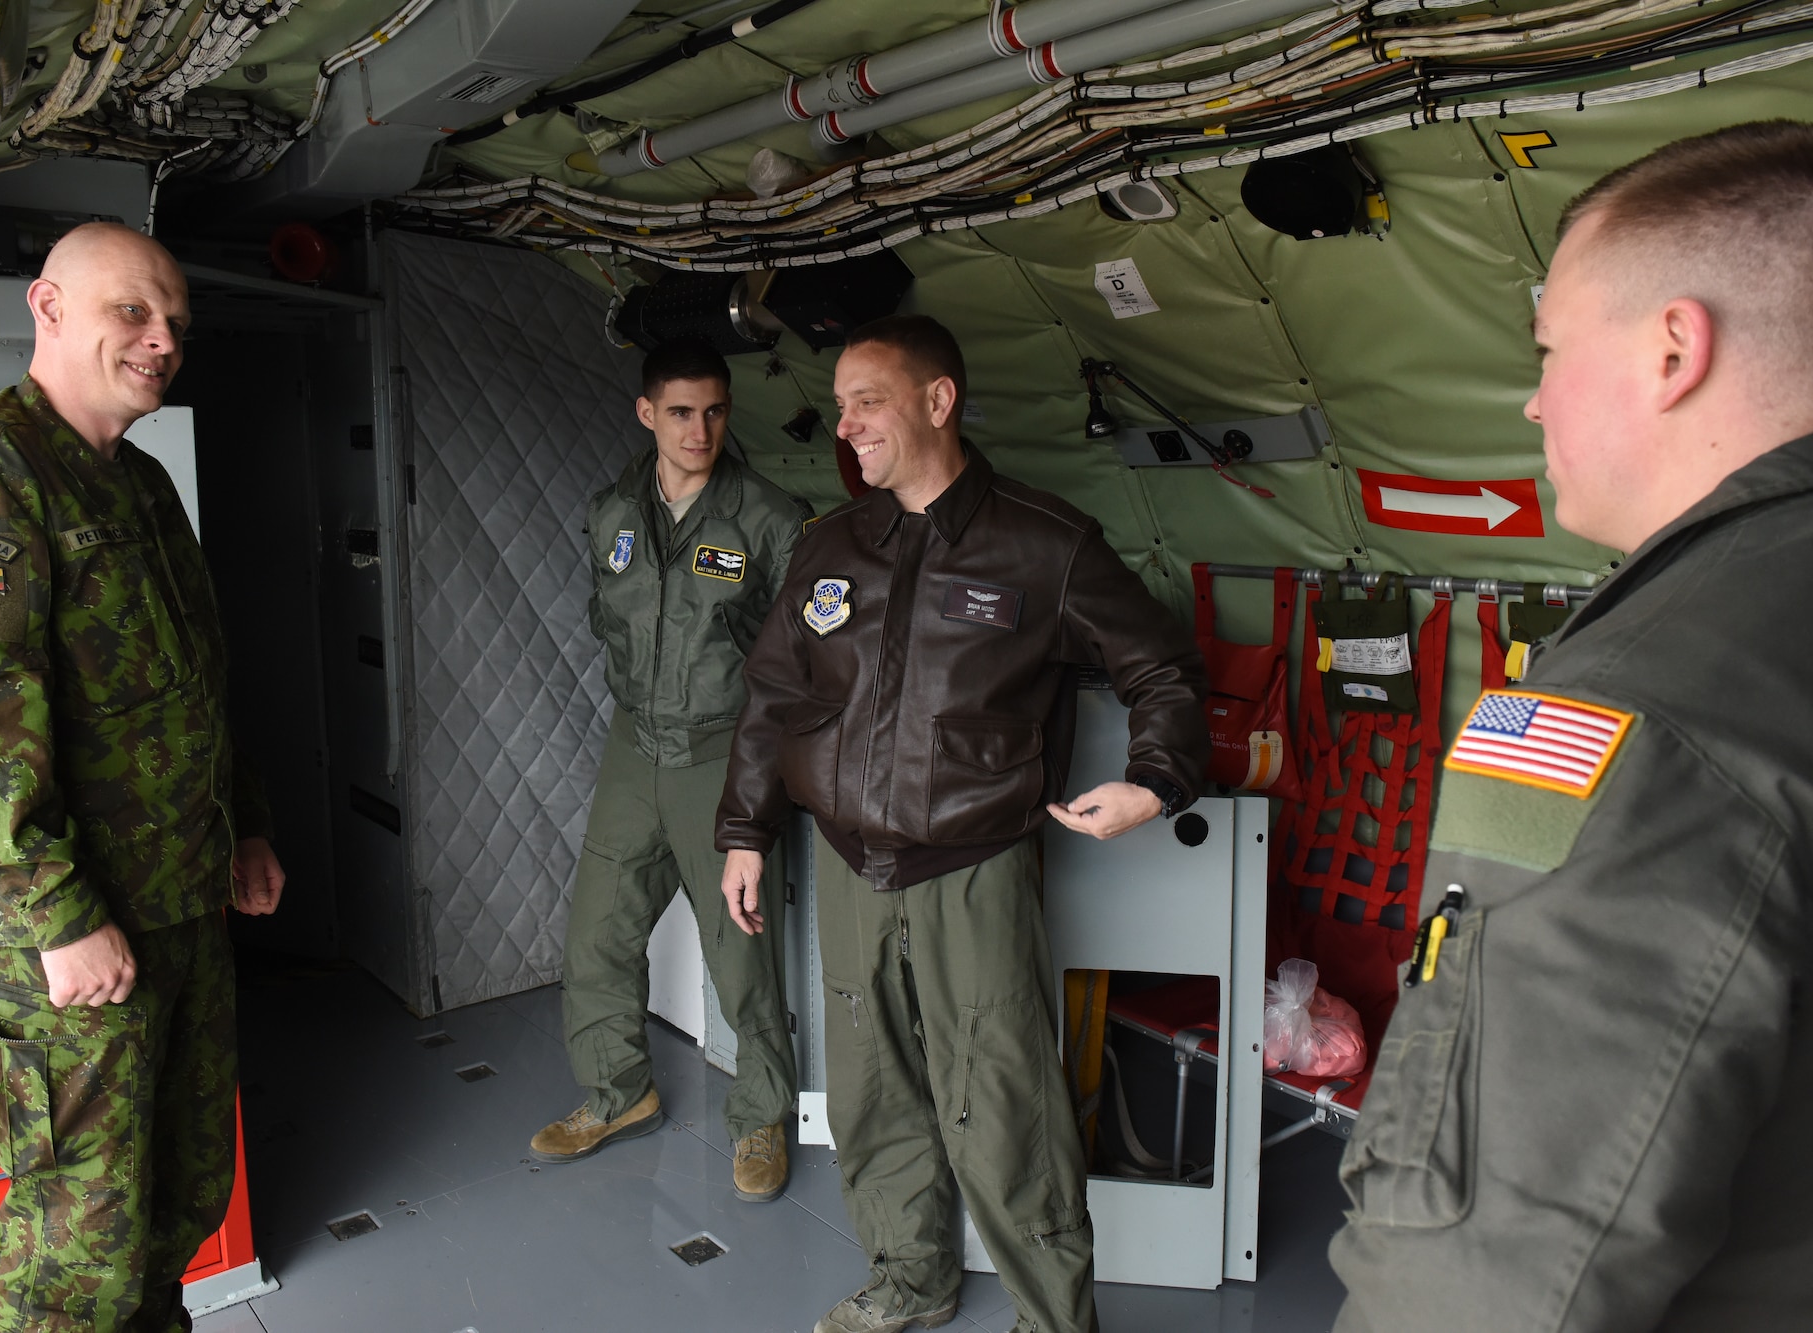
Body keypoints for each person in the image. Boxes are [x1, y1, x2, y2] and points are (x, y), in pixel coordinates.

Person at [1329, 120, 1813, 1331]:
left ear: (1671, 349)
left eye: (1547, 349)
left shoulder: (1612, 708)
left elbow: (1487, 1265)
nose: (1536, 400)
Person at [717, 315, 1209, 1333]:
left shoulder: (1045, 544)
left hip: (973, 869)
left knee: (1003, 1108)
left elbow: (1159, 667)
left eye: (868, 401)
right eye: (841, 403)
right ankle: (910, 1277)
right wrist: (743, 831)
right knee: (870, 1090)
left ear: (936, 402)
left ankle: (1050, 1317)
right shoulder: (831, 543)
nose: (844, 424)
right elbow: (772, 692)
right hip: (848, 862)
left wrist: (1152, 781)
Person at [0, 222, 284, 1333]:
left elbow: (197, 684)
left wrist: (242, 827)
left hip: (177, 908)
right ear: (47, 308)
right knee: (78, 1250)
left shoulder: (142, 485)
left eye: (175, 326)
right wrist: (56, 916)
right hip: (70, 945)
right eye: (132, 313)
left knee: (180, 1200)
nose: (161, 342)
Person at [531, 339, 807, 1204]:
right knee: (598, 932)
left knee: (741, 952)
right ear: (648, 414)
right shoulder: (611, 512)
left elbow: (801, 657)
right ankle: (619, 1092)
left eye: (716, 410)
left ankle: (762, 1116)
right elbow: (603, 620)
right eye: (682, 412)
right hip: (633, 744)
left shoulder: (768, 516)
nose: (701, 428)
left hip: (723, 752)